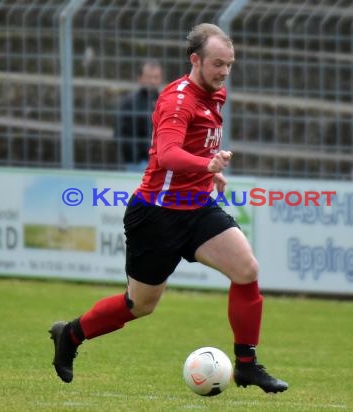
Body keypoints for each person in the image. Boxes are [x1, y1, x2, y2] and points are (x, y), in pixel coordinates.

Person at [49, 23, 288, 394]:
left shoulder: (217, 93)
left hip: (196, 208)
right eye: (217, 64)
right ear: (195, 60)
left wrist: (209, 174)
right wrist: (206, 166)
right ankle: (71, 334)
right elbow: (168, 153)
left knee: (246, 270)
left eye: (229, 64)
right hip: (156, 215)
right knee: (139, 305)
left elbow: (195, 146)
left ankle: (246, 364)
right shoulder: (177, 100)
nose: (224, 72)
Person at [115, 59, 163, 172]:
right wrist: (135, 158)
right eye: (149, 77)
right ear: (140, 78)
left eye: (156, 77)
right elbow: (121, 133)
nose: (153, 81)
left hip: (162, 161)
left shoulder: (165, 101)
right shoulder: (129, 102)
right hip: (137, 164)